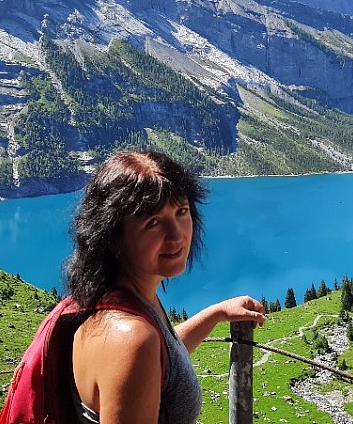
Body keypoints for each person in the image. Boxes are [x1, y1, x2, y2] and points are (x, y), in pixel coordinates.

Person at [65, 150, 266, 424]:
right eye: (153, 222)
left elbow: (162, 362)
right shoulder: (130, 337)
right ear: (112, 237)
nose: (177, 235)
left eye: (181, 212)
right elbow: (141, 353)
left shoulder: (122, 301)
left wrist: (216, 313)